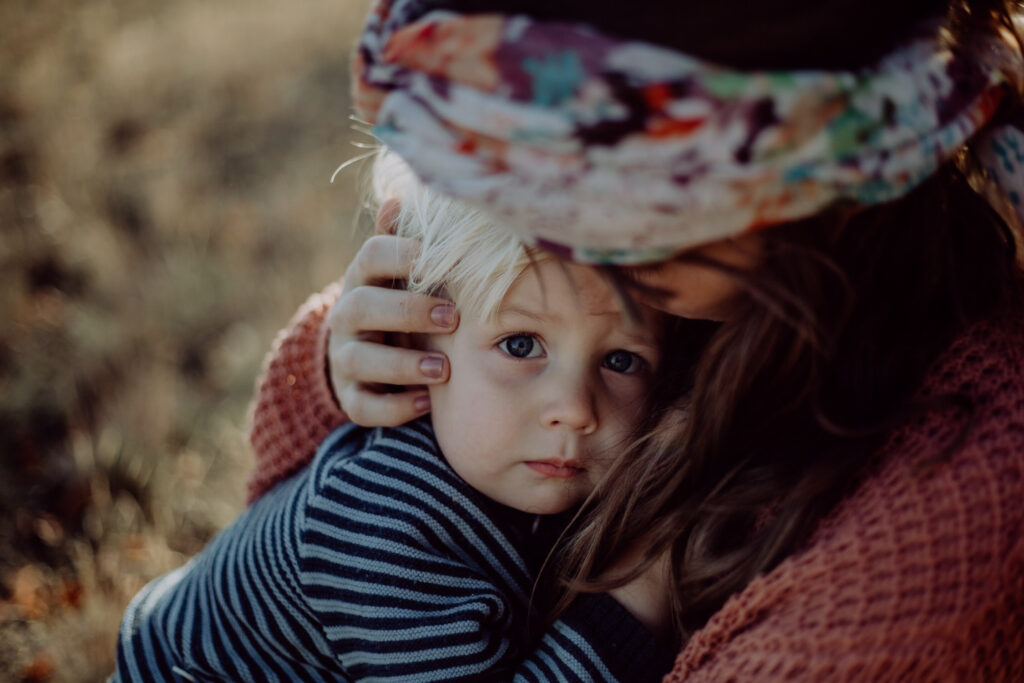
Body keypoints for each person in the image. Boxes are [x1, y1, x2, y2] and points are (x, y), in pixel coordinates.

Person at [248, 0, 1024, 678]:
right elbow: (292, 533)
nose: (555, 220)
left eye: (588, 177)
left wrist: (636, 600)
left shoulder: (935, 530)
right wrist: (352, 361)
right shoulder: (715, 280)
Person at [114, 151, 683, 681]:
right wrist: (635, 602)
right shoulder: (383, 532)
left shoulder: (504, 465)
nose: (576, 410)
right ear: (414, 340)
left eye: (620, 359)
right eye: (519, 346)